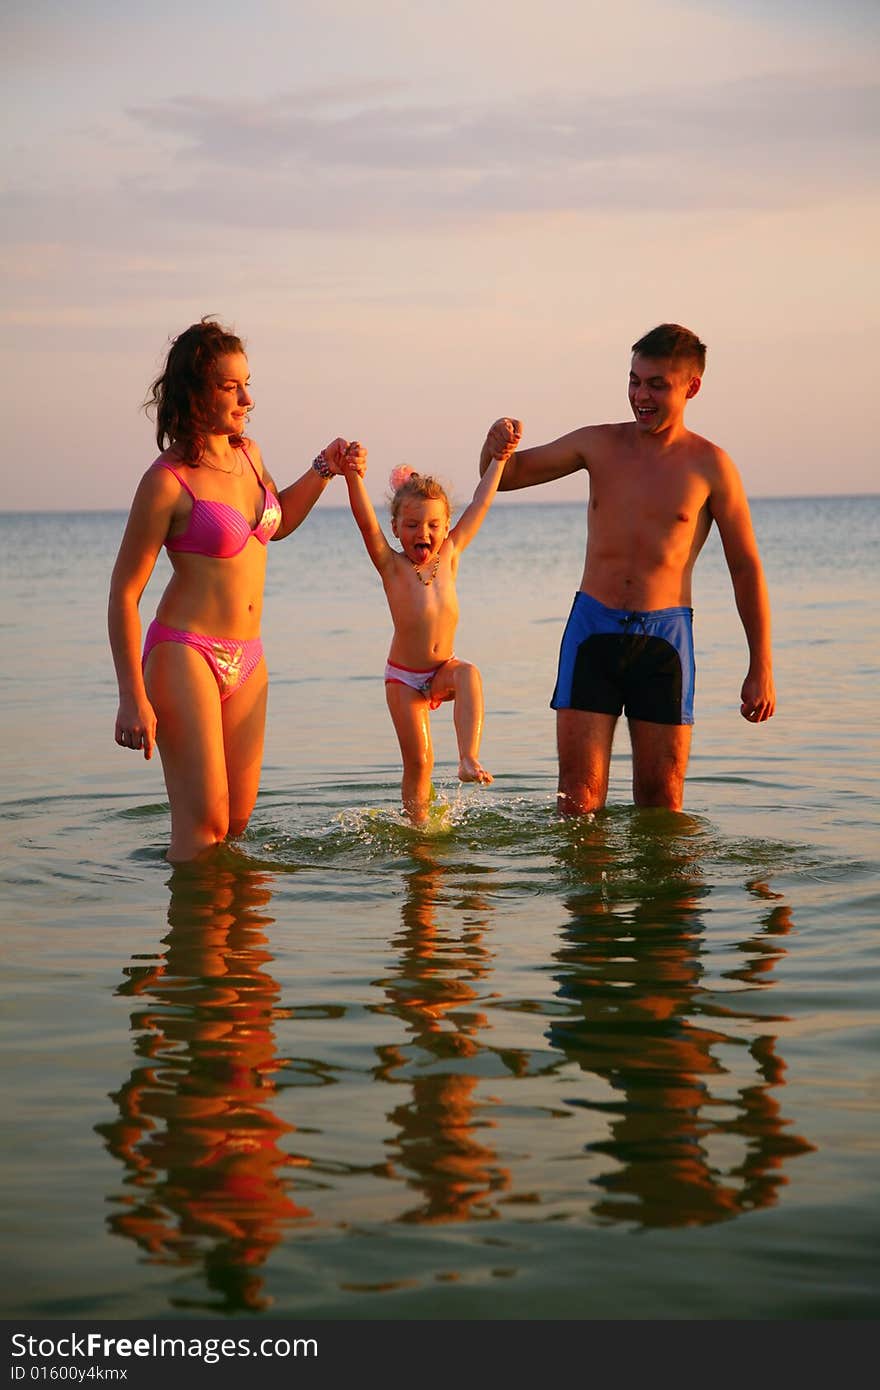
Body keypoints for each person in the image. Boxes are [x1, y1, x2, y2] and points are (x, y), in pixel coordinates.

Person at [479, 323, 775, 816]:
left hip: (664, 641)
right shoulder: (598, 444)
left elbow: (745, 568)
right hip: (592, 630)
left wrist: (760, 666)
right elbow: (503, 478)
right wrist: (493, 445)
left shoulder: (711, 466)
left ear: (691, 387)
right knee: (576, 804)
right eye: (634, 381)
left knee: (662, 806)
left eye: (656, 383)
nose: (641, 395)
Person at [108, 316, 365, 862]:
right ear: (196, 393)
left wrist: (325, 468)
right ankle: (191, 944)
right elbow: (124, 594)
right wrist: (132, 697)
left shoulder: (248, 454)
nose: (247, 397)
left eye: (248, 383)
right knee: (205, 827)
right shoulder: (166, 480)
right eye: (231, 386)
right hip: (185, 652)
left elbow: (279, 520)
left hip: (248, 656)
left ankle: (237, 947)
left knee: (238, 824)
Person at [344, 427, 520, 822]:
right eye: (411, 525)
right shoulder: (392, 566)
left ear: (445, 526)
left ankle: (468, 757)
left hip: (443, 670)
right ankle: (419, 826)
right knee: (420, 763)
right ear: (395, 528)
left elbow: (480, 503)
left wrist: (500, 460)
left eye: (432, 526)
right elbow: (364, 523)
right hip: (405, 680)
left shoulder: (451, 555)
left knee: (470, 675)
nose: (422, 533)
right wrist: (353, 475)